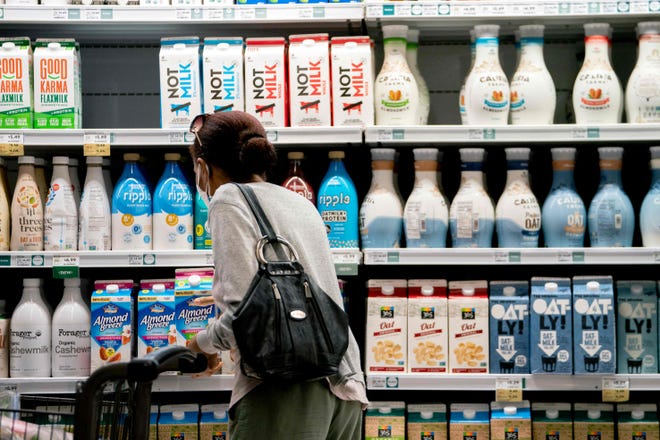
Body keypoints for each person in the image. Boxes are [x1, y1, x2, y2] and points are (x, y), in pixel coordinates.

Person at [186, 111, 368, 439]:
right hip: (346, 383)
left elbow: (244, 318)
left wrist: (201, 345)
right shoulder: (300, 203)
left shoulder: (228, 199)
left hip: (288, 389)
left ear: (202, 167)